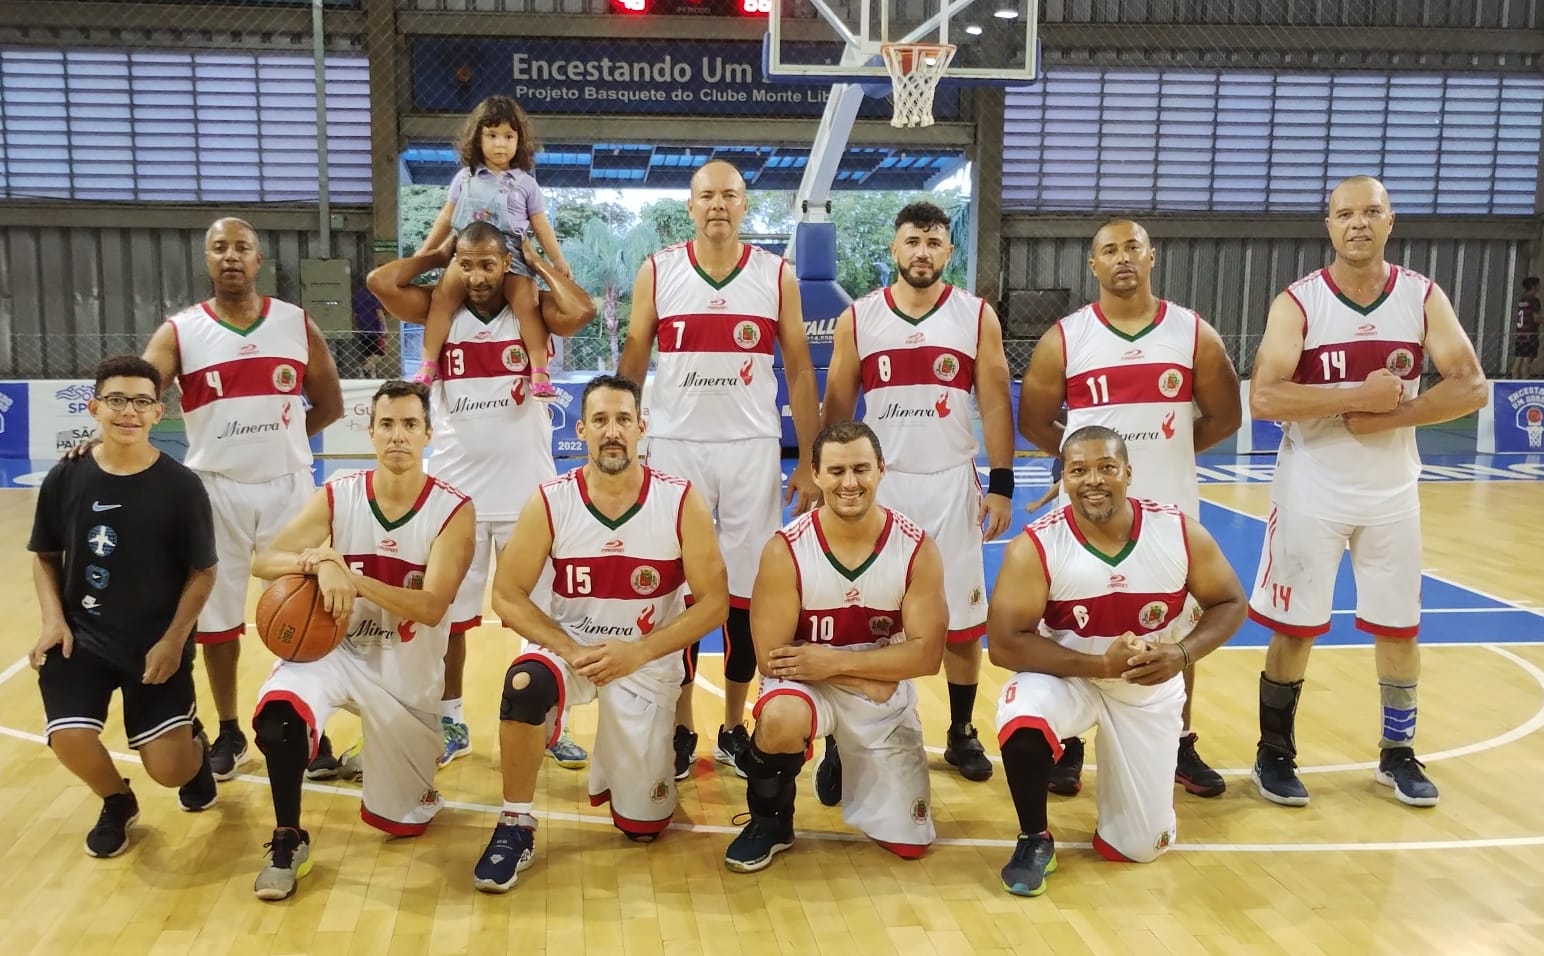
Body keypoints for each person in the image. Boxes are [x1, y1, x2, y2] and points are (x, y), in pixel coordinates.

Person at [1246, 176, 1487, 809]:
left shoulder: (1421, 296)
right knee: (1296, 628)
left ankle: (1397, 754)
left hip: (1392, 491)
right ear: (1328, 224)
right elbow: (1265, 396)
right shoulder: (1298, 303)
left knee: (1399, 627)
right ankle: (1274, 753)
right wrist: (1356, 396)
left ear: (1390, 220)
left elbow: (1470, 383)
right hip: (1312, 489)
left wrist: (1391, 418)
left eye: (1371, 212)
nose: (1358, 223)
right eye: (1345, 213)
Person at [472, 374, 729, 893]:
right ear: (582, 430)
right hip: (574, 646)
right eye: (601, 421)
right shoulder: (551, 500)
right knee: (526, 683)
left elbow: (716, 604)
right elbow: (507, 593)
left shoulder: (681, 502)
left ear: (642, 428)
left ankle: (636, 779)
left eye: (623, 420)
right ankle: (515, 823)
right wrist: (568, 648)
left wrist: (639, 652)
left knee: (643, 827)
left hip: (647, 660)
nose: (613, 432)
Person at [1017, 218, 1241, 799]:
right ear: (1092, 266)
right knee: (1071, 613)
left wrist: (1167, 454)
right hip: (1091, 512)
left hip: (1169, 506)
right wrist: (1086, 471)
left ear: (1152, 257)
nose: (1122, 259)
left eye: (1132, 248)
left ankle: (1178, 739)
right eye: (1109, 251)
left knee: (1179, 623)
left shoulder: (1193, 333)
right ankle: (1068, 740)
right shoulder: (1066, 338)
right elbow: (1035, 420)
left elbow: (1225, 415)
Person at [363, 221, 598, 772]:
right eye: (466, 264)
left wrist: (536, 264)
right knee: (447, 620)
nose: (476, 276)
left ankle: (546, 721)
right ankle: (450, 720)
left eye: (487, 264)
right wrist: (436, 255)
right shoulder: (437, 311)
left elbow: (582, 311)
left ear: (504, 263)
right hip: (456, 497)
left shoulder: (531, 310)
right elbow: (379, 280)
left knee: (538, 616)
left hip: (527, 498)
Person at [618, 159, 821, 781]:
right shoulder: (659, 270)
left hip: (750, 450)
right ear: (689, 206)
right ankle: (681, 726)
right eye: (706, 195)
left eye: (730, 196)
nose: (718, 205)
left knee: (743, 597)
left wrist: (809, 460)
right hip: (676, 446)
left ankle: (733, 726)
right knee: (679, 590)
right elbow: (633, 356)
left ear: (745, 206)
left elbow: (800, 370)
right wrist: (622, 438)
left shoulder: (775, 274)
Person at [987, 426, 1247, 898]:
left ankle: (1126, 817)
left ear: (1128, 472)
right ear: (1062, 479)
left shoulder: (1178, 532)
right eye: (1078, 470)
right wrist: (1099, 666)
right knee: (1021, 711)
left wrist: (1181, 652)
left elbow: (1231, 602)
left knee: (1140, 847)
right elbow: (1004, 644)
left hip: (1147, 687)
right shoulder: (1036, 546)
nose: (1094, 480)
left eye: (1107, 467)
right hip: (1070, 676)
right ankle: (1033, 839)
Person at [247, 380, 476, 901]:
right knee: (280, 717)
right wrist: (320, 559)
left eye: (410, 425)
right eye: (387, 424)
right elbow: (264, 560)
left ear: (428, 435)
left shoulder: (454, 510)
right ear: (370, 432)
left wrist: (347, 575)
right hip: (338, 652)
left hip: (406, 677)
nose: (398, 436)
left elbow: (432, 604)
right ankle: (288, 837)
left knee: (405, 821)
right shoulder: (339, 493)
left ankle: (380, 754)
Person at [816, 200, 1015, 792]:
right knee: (857, 615)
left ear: (948, 251)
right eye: (911, 241)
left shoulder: (976, 316)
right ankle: (841, 742)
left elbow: (997, 401)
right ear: (894, 249)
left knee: (960, 621)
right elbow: (838, 406)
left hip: (952, 483)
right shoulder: (862, 317)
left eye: (933, 242)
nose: (922, 252)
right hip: (879, 487)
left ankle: (959, 731)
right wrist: (828, 476)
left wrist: (1001, 484)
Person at [140, 217, 344, 781]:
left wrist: (282, 444)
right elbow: (137, 392)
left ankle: (309, 726)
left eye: (242, 247)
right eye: (219, 247)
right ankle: (229, 729)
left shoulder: (296, 324)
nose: (231, 256)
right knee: (218, 622)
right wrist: (101, 430)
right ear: (207, 261)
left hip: (288, 488)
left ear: (259, 260)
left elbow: (328, 403)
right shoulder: (180, 332)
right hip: (215, 491)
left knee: (304, 611)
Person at [723, 420, 947, 873]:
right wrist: (861, 672)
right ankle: (771, 822)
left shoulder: (916, 548)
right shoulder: (786, 550)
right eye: (837, 470)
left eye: (862, 469)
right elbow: (772, 657)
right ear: (817, 474)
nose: (850, 482)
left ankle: (842, 754)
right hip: (819, 686)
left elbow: (927, 656)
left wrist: (832, 661)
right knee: (781, 715)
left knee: (910, 844)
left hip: (865, 690)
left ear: (882, 470)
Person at [28, 355, 220, 858]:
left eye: (141, 401)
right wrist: (53, 621)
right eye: (116, 400)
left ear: (160, 413)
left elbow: (204, 572)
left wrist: (175, 641)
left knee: (170, 771)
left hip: (154, 640)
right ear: (95, 407)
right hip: (83, 634)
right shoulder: (65, 478)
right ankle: (116, 800)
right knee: (67, 735)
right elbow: (45, 557)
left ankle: (192, 747)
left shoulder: (182, 487)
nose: (128, 411)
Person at [413, 96, 569, 400]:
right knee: (442, 299)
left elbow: (541, 225)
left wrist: (557, 259)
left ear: (519, 140)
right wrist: (425, 253)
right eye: (492, 135)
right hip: (468, 257)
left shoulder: (525, 183)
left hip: (512, 257)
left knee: (528, 305)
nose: (501, 144)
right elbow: (445, 218)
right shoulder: (465, 179)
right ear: (477, 138)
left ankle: (539, 371)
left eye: (509, 137)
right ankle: (428, 364)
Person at [1510, 276, 1540, 379]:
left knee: (1518, 360)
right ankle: (1524, 382)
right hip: (1530, 334)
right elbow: (1536, 318)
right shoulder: (1534, 301)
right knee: (1527, 363)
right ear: (1533, 286)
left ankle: (1513, 383)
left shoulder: (1522, 300)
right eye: (1538, 285)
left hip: (1520, 334)